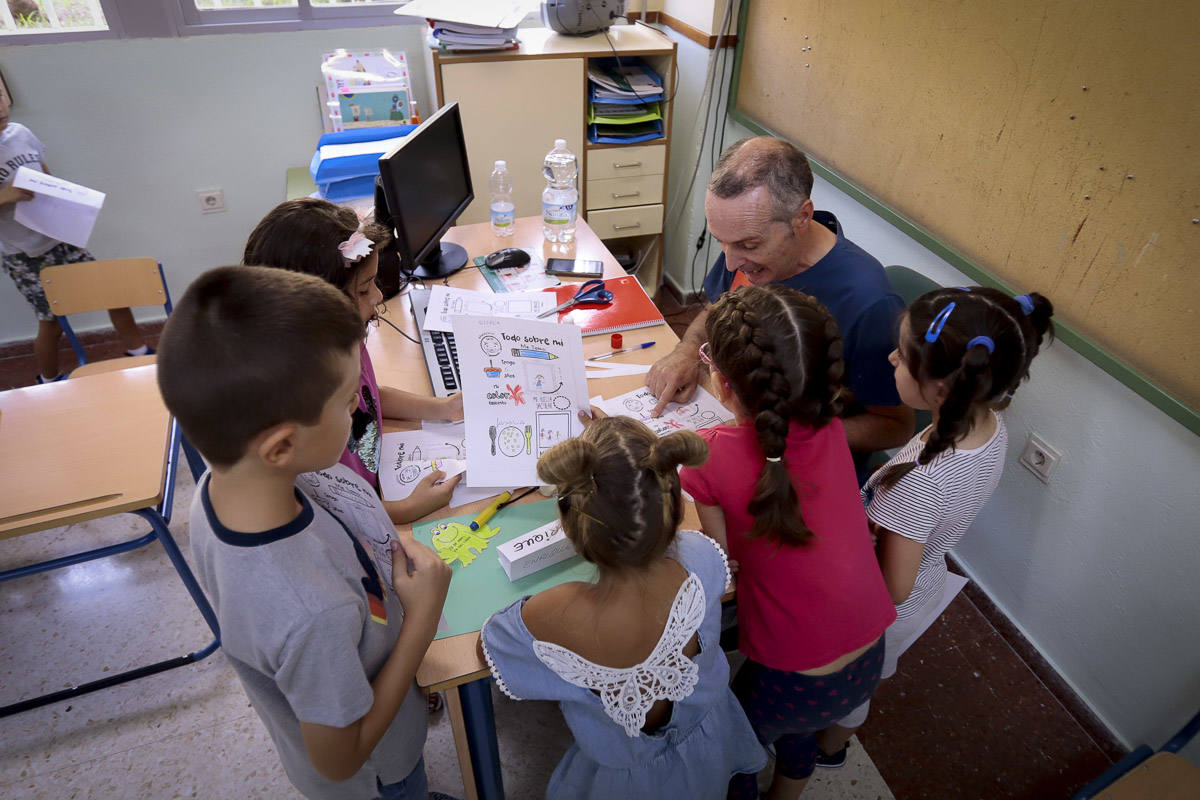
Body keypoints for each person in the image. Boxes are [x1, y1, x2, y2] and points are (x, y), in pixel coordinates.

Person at [157, 266, 455, 800]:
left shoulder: (229, 482)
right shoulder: (311, 613)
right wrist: (423, 621)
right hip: (378, 775)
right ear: (280, 446)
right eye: (346, 404)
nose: (356, 413)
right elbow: (341, 758)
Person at [815, 287, 1055, 768]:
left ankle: (828, 747)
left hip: (884, 611)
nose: (890, 358)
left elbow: (893, 588)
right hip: (925, 573)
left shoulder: (922, 484)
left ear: (940, 389)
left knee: (853, 691)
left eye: (902, 357)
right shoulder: (984, 422)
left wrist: (846, 537)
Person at [676, 285, 897, 800]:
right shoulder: (834, 432)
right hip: (868, 657)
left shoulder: (708, 455)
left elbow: (719, 565)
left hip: (791, 676)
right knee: (795, 732)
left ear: (721, 383)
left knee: (736, 750)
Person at [479, 416, 767, 799]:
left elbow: (491, 647)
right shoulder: (701, 556)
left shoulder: (556, 611)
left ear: (569, 526)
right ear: (677, 510)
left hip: (625, 782)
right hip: (711, 738)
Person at [646, 136, 913, 467]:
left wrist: (787, 436)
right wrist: (686, 351)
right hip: (732, 423)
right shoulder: (742, 248)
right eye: (720, 242)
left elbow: (896, 426)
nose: (730, 263)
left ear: (801, 218)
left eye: (749, 244)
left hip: (806, 467)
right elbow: (718, 307)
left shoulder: (868, 302)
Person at [244, 198, 463, 523]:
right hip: (370, 517)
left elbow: (371, 396)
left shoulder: (346, 341)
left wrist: (443, 408)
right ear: (312, 307)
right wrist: (405, 510)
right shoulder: (300, 405)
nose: (377, 296)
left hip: (382, 486)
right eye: (363, 290)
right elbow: (331, 508)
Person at [0, 92, 152, 383]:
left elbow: (45, 174)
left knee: (112, 293)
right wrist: (4, 196)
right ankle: (48, 379)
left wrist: (65, 200)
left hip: (60, 239)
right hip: (25, 256)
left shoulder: (22, 133)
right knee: (53, 321)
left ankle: (140, 350)